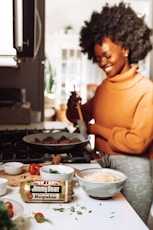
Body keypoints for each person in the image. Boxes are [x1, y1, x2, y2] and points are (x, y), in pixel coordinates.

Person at [66, 1, 153, 225]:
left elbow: (137, 143)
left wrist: (96, 129)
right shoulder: (105, 87)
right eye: (97, 58)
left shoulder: (147, 90)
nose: (102, 63)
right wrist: (73, 106)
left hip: (134, 170)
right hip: (100, 165)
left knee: (130, 225)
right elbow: (79, 119)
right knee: (101, 223)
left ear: (125, 48)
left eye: (106, 55)